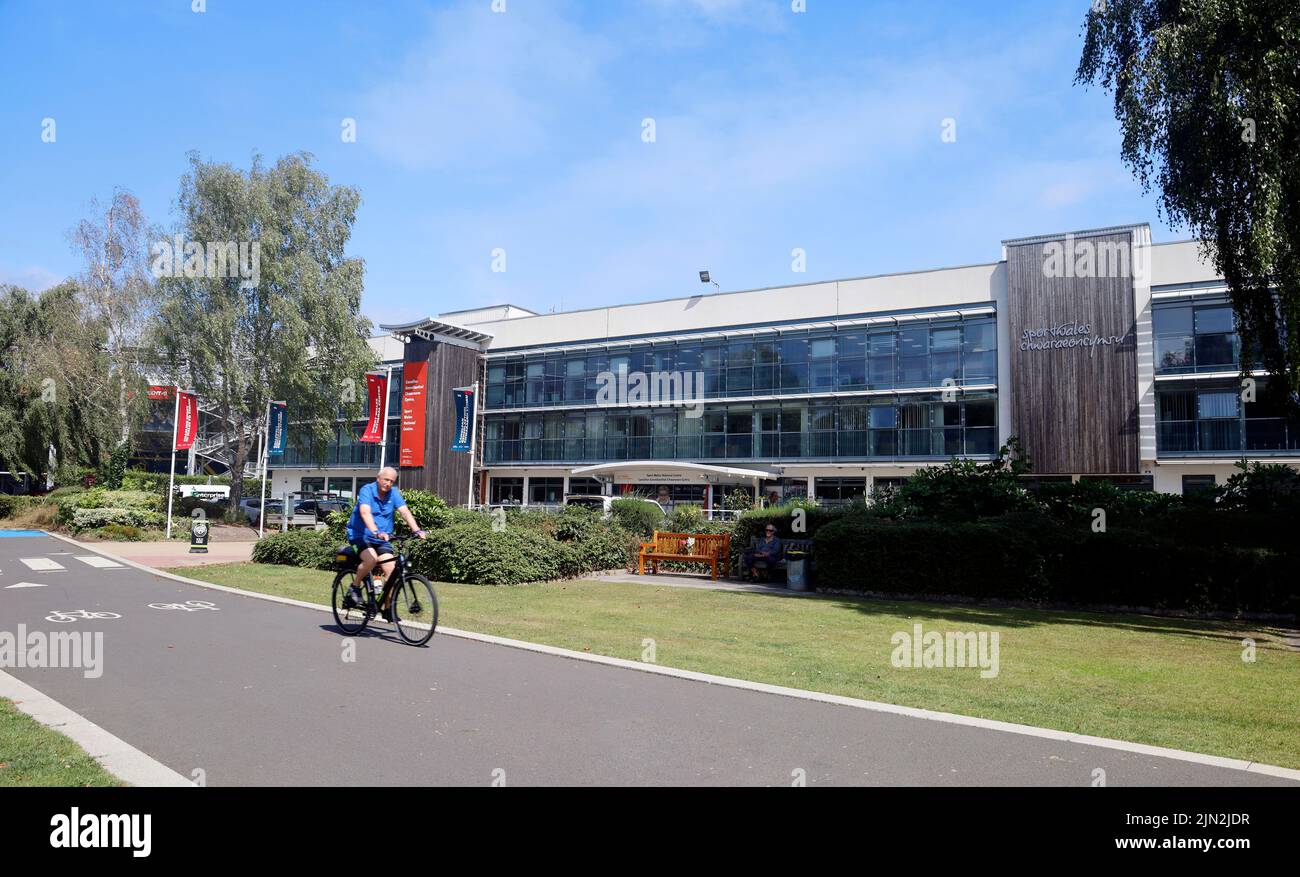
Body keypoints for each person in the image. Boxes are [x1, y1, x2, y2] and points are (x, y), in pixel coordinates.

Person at [344, 467, 427, 619]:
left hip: (382, 539)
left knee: (392, 572)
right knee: (371, 559)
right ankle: (354, 587)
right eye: (386, 480)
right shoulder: (367, 490)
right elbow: (365, 512)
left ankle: (387, 608)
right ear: (378, 478)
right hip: (360, 535)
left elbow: (405, 512)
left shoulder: (393, 493)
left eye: (392, 481)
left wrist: (417, 530)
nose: (388, 483)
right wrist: (376, 531)